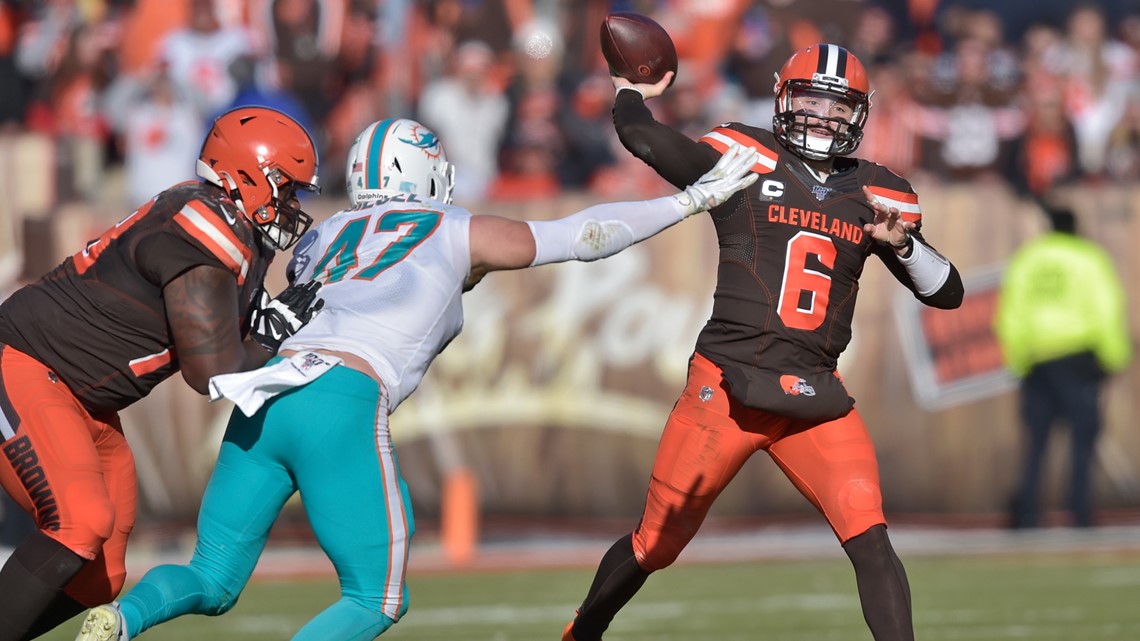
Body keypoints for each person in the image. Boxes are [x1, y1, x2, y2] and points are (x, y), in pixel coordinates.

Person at [70, 117, 760, 641]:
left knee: (212, 576)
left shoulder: (317, 237)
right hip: (342, 396)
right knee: (378, 598)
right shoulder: (450, 225)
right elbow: (579, 236)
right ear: (424, 175)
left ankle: (119, 621)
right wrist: (689, 202)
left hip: (266, 396)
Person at [561, 43, 965, 641]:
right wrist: (631, 92)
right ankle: (580, 635)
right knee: (655, 544)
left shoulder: (879, 192)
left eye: (837, 107)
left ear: (860, 114)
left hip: (814, 396)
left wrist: (902, 245)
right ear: (783, 98)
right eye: (810, 100)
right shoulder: (747, 157)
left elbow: (947, 292)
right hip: (726, 389)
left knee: (870, 538)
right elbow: (647, 141)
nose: (823, 117)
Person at [0, 105, 325, 641]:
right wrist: (269, 335)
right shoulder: (204, 228)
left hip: (86, 399)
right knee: (79, 524)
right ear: (246, 176)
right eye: (287, 189)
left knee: (99, 575)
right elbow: (212, 372)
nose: (292, 205)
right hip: (27, 363)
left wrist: (264, 333)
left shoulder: (231, 229)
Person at [994, 205, 1132, 529]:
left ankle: (1029, 515)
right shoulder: (1089, 258)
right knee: (1083, 442)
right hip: (1078, 358)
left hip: (1037, 361)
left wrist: (1018, 360)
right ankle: (1081, 514)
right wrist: (1114, 357)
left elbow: (1009, 314)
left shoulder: (1028, 260)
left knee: (1037, 442)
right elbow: (1107, 308)